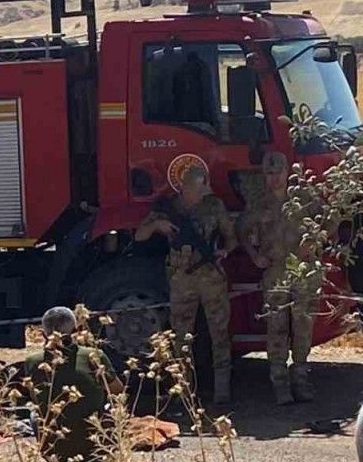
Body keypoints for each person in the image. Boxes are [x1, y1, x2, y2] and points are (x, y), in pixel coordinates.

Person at [135, 165, 236, 403]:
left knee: (220, 334)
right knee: (181, 336)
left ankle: (222, 389)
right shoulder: (168, 208)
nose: (203, 191)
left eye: (205, 187)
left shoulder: (214, 206)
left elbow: (232, 237)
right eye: (199, 187)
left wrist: (225, 251)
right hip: (181, 279)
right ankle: (184, 390)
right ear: (185, 187)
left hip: (211, 277)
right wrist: (156, 226)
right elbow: (139, 235)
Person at [242, 152, 318, 404]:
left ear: (287, 172)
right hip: (275, 273)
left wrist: (313, 242)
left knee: (303, 327)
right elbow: (240, 230)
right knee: (276, 328)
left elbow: (328, 222)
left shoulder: (303, 199)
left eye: (278, 172)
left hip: (302, 271)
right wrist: (254, 255)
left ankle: (301, 379)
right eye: (269, 173)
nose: (274, 178)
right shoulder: (259, 204)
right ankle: (280, 384)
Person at [22, 307, 124, 462]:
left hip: (55, 447)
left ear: (43, 334)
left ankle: (46, 451)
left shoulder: (32, 361)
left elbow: (36, 398)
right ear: (76, 331)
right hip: (92, 445)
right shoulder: (93, 356)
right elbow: (117, 390)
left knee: (33, 414)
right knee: (114, 405)